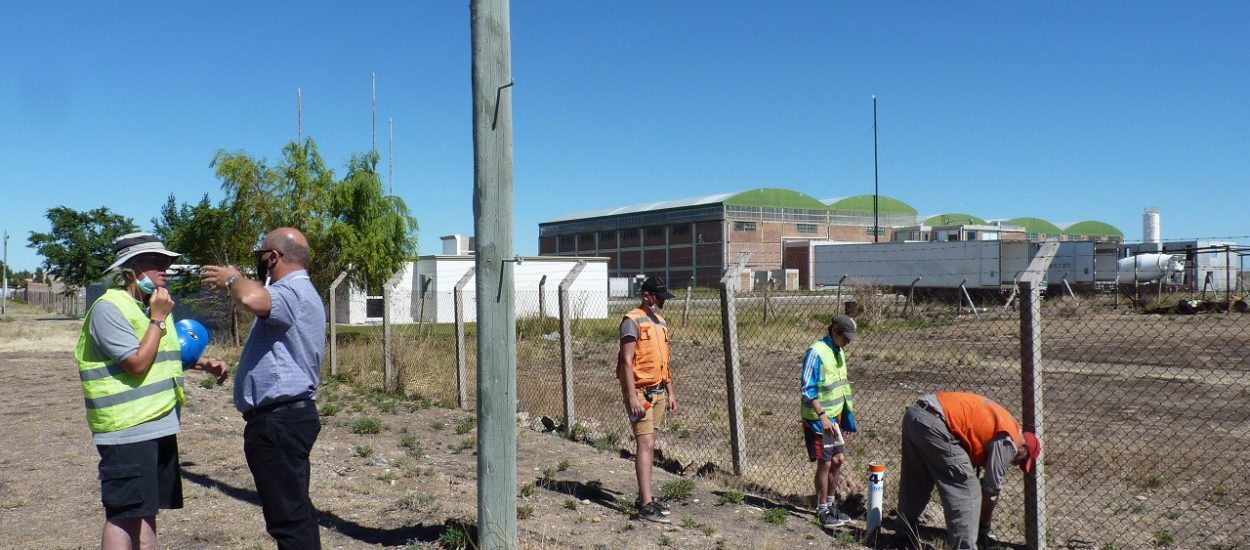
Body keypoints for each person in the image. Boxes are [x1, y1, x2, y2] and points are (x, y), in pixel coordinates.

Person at [75, 232, 228, 550]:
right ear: (130, 268)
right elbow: (136, 363)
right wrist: (158, 319)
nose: (166, 268)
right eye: (155, 261)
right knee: (124, 516)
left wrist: (201, 363)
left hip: (158, 424)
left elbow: (161, 356)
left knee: (147, 513)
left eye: (167, 262)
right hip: (126, 429)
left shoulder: (153, 308)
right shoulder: (110, 308)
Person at [200, 227, 326, 550]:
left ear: (274, 257)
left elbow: (249, 297)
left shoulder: (292, 292)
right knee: (296, 514)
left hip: (279, 423)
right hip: (283, 421)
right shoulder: (293, 293)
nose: (259, 262)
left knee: (290, 523)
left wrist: (232, 278)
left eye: (262, 255)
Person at [896, 391, 1041, 550]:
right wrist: (984, 527)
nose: (1015, 464)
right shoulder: (1010, 442)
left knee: (917, 479)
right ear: (1023, 449)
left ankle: (904, 536)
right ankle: (965, 547)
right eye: (1021, 461)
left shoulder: (1005, 422)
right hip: (935, 421)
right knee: (967, 489)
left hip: (916, 413)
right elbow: (991, 489)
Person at [616, 275, 678, 523]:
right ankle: (645, 504)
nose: (662, 301)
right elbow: (627, 361)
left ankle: (646, 498)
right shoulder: (632, 321)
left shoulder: (660, 322)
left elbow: (664, 361)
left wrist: (671, 391)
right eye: (659, 297)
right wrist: (631, 395)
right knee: (646, 444)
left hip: (658, 391)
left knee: (650, 443)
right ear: (646, 296)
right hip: (640, 392)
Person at [800, 314, 860, 529]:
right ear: (834, 331)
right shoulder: (816, 352)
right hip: (818, 419)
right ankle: (822, 509)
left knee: (838, 460)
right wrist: (822, 416)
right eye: (846, 337)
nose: (849, 342)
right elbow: (807, 388)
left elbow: (842, 388)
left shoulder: (838, 351)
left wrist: (845, 420)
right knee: (825, 463)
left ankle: (832, 505)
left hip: (834, 418)